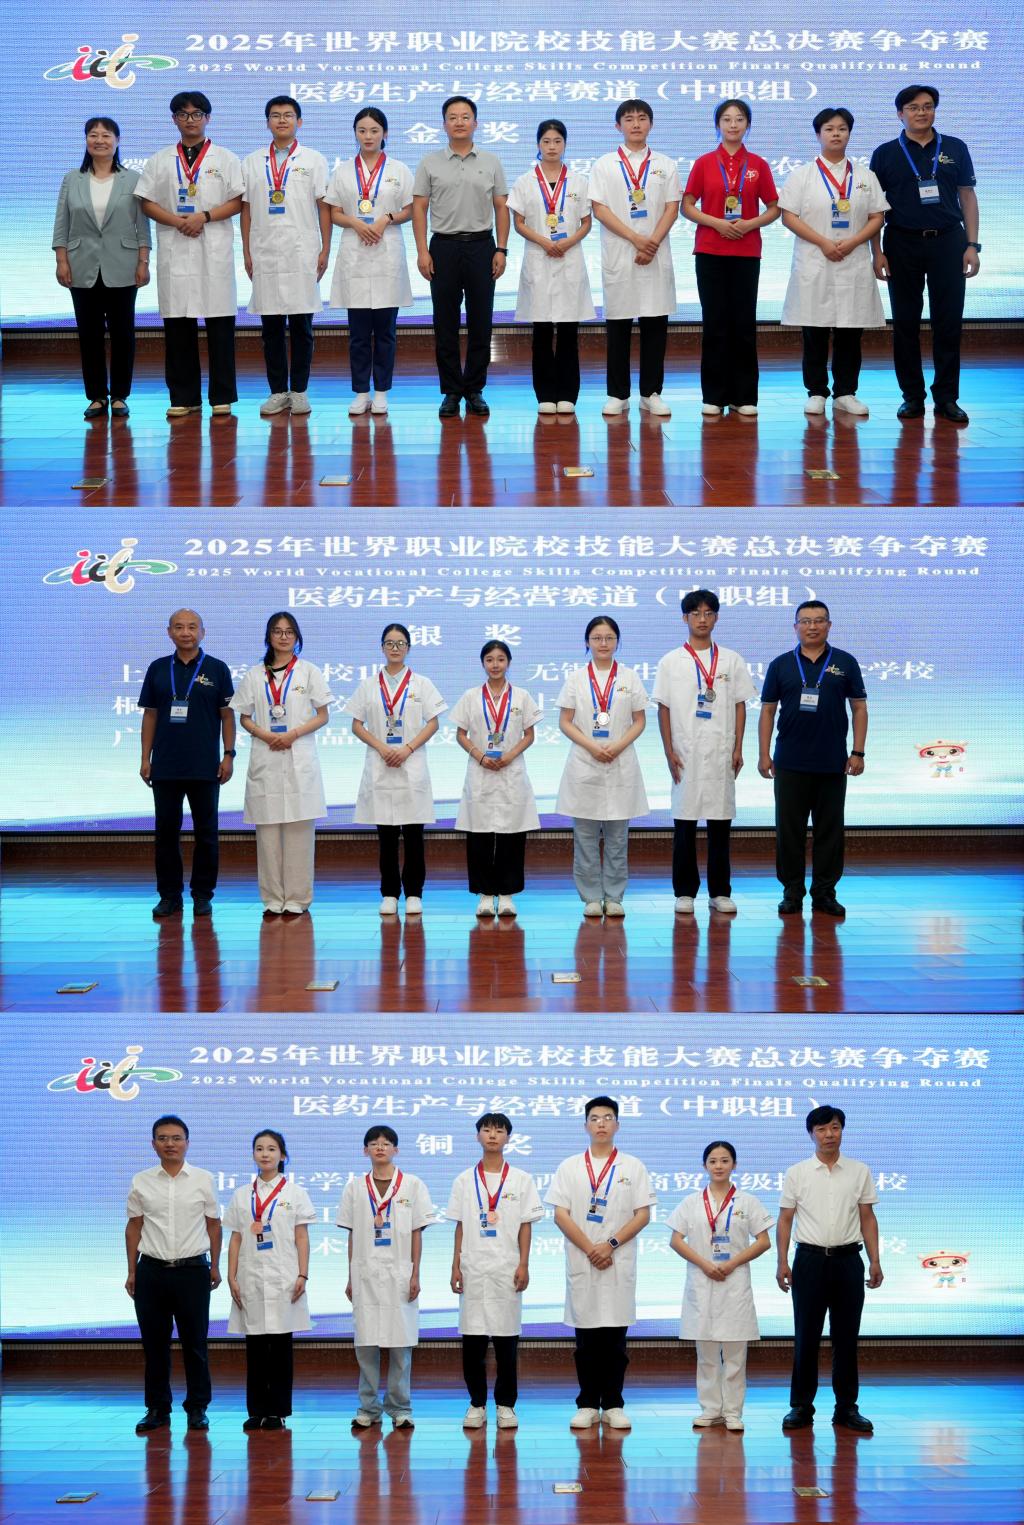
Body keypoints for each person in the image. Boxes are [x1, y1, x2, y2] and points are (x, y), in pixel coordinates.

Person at [869, 86, 979, 425]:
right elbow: (874, 208)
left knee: (949, 322)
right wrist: (877, 252)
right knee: (905, 322)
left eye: (928, 106)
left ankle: (947, 398)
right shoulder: (885, 153)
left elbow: (967, 196)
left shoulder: (955, 148)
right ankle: (912, 397)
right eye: (914, 107)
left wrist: (972, 245)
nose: (922, 112)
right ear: (900, 113)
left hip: (948, 241)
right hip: (901, 243)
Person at [545, 1095, 656, 1430]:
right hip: (584, 1261)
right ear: (586, 1126)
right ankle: (587, 1404)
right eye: (595, 1118)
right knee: (586, 1342)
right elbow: (560, 1215)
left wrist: (609, 1245)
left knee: (615, 1342)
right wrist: (591, 1249)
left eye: (608, 1117)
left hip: (617, 1261)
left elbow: (643, 1215)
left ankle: (614, 1404)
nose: (601, 1124)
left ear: (617, 1124)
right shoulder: (570, 1167)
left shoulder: (632, 1167)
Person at [135, 91, 243, 418]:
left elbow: (238, 201)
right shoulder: (159, 160)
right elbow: (146, 201)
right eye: (183, 114)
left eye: (197, 114)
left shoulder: (225, 158)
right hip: (176, 245)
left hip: (213, 247)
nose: (190, 120)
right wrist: (178, 221)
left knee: (220, 326)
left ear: (208, 118)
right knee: (178, 328)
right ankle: (184, 397)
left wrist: (203, 217)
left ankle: (222, 396)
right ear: (174, 120)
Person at [776, 1106, 883, 1434]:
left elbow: (867, 1217)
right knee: (806, 1336)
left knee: (846, 1337)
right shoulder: (797, 1172)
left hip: (849, 1260)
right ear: (811, 1134)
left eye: (834, 1128)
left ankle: (846, 1408)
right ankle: (801, 1407)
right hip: (809, 1260)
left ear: (842, 1130)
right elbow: (785, 1219)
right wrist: (782, 1261)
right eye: (821, 1129)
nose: (829, 1135)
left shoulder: (859, 1171)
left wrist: (875, 1260)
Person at [757, 601, 867, 917]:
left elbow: (859, 708)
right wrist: (763, 754)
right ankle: (791, 893)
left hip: (832, 762)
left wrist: (858, 752)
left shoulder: (845, 662)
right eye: (805, 621)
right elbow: (767, 711)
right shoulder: (781, 664)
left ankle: (824, 894)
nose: (812, 626)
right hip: (789, 762)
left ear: (829, 625)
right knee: (788, 832)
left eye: (819, 620)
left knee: (829, 832)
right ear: (796, 627)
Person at [779, 108, 888, 417]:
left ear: (849, 133)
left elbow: (877, 216)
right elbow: (789, 216)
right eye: (829, 129)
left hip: (853, 260)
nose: (836, 134)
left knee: (850, 332)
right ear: (818, 134)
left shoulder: (865, 176)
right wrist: (824, 242)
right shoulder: (802, 175)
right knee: (814, 330)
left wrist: (853, 242)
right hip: (816, 259)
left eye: (842, 128)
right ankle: (816, 392)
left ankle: (846, 392)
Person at [653, 590, 755, 916]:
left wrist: (738, 747)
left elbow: (740, 705)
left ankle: (720, 891)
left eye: (708, 613)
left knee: (720, 825)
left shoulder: (731, 659)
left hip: (721, 751)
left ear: (716, 618)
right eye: (695, 613)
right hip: (685, 751)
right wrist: (668, 751)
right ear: (685, 618)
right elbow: (663, 709)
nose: (702, 619)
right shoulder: (671, 661)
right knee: (684, 824)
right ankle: (684, 892)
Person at [412, 96, 510, 418]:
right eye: (452, 117)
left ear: (475, 123)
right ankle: (452, 391)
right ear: (444, 124)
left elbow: (501, 207)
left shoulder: (492, 161)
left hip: (482, 246)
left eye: (465, 116)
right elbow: (419, 208)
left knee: (481, 321)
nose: (459, 122)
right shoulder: (429, 162)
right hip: (443, 247)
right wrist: (422, 251)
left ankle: (475, 389)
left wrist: (501, 249)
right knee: (445, 323)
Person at [230, 612, 332, 916]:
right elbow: (244, 716)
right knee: (268, 836)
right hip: (266, 756)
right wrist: (265, 735)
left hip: (298, 755)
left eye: (289, 632)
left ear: (297, 636)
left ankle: (298, 898)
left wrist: (293, 734)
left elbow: (323, 715)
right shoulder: (254, 675)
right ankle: (273, 898)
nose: (283, 637)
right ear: (269, 636)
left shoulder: (309, 672)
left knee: (300, 834)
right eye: (277, 631)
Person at [682, 100, 780, 416]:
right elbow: (687, 205)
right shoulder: (704, 163)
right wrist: (716, 223)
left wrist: (750, 224)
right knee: (715, 323)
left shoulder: (758, 165)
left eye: (739, 119)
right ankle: (714, 395)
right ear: (718, 125)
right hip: (710, 250)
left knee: (743, 323)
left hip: (746, 251)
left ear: (747, 124)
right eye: (727, 119)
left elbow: (774, 208)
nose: (733, 124)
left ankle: (744, 396)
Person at [447, 1112, 544, 1429]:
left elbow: (526, 1226)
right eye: (487, 1130)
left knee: (506, 1344)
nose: (492, 1135)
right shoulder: (464, 1180)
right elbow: (460, 1226)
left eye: (499, 1131)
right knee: (473, 1344)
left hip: (506, 1268)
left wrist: (524, 1263)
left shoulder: (521, 1179)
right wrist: (455, 1265)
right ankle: (476, 1404)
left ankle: (506, 1405)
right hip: (473, 1268)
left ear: (508, 1138)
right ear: (477, 1135)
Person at [667, 1141, 773, 1432]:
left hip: (734, 1281)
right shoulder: (691, 1202)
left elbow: (764, 1241)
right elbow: (675, 1240)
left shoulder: (747, 1201)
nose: (718, 1166)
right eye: (713, 1161)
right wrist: (704, 1264)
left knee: (736, 1354)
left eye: (725, 1160)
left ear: (734, 1165)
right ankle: (711, 1409)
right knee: (707, 1354)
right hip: (702, 1281)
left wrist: (732, 1263)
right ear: (704, 1165)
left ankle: (733, 1412)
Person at [125, 1115, 221, 1434]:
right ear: (153, 1144)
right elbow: (134, 1226)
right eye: (163, 1138)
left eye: (176, 1138)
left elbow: (213, 1225)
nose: (170, 1144)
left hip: (192, 1271)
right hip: (151, 1271)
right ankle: (157, 1408)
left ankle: (197, 1408)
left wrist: (215, 1265)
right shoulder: (141, 1180)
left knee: (195, 1343)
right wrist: (131, 1270)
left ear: (187, 1143)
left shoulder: (203, 1179)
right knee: (154, 1345)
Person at [138, 609, 235, 918]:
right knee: (166, 834)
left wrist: (229, 754)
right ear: (169, 632)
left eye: (192, 627)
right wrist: (145, 758)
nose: (185, 632)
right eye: (179, 627)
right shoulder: (157, 668)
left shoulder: (217, 669)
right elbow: (150, 715)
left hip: (205, 766)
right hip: (165, 766)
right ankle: (169, 896)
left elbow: (227, 716)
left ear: (202, 632)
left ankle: (202, 895)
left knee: (207, 833)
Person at [336, 1126, 435, 1429]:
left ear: (396, 1150)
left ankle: (400, 1408)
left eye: (386, 1143)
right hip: (365, 1273)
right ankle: (368, 1408)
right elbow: (352, 1235)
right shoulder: (355, 1188)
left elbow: (417, 1233)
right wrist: (350, 1275)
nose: (380, 1147)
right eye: (374, 1143)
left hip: (400, 1273)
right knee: (366, 1345)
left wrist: (415, 1272)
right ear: (365, 1150)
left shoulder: (413, 1185)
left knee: (400, 1344)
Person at [52, 117, 151, 419]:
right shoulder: (72, 179)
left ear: (117, 141)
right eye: (93, 135)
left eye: (106, 135)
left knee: (123, 334)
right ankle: (96, 396)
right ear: (86, 141)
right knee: (89, 334)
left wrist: (144, 261)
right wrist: (61, 260)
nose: (99, 140)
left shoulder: (132, 179)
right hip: (81, 266)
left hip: (123, 265)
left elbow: (142, 225)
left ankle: (119, 395)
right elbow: (61, 223)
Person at [588, 99, 681, 417]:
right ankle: (618, 394)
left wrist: (651, 242)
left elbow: (672, 207)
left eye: (642, 118)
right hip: (621, 252)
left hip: (655, 254)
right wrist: (636, 239)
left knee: (655, 326)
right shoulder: (604, 164)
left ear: (651, 124)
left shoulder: (665, 164)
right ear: (618, 126)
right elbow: (599, 209)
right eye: (629, 119)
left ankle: (651, 393)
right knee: (618, 327)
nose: (636, 124)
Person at [346, 624, 447, 915]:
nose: (395, 648)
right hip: (381, 763)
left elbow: (433, 722)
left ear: (408, 648)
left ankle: (414, 893)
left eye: (400, 643)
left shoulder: (422, 684)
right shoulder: (368, 685)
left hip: (410, 763)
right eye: (389, 643)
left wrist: (408, 748)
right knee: (386, 837)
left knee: (414, 836)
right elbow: (356, 725)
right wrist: (382, 747)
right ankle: (389, 893)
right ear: (382, 647)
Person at [241, 97, 330, 417]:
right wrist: (246, 250)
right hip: (264, 251)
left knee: (302, 326)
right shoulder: (252, 161)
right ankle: (278, 391)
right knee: (271, 327)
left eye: (288, 115)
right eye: (275, 116)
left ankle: (300, 391)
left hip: (302, 250)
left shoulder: (314, 159)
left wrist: (325, 248)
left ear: (299, 122)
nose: (282, 120)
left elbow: (323, 207)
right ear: (267, 122)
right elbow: (246, 209)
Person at [556, 616, 649, 918]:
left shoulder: (630, 677)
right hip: (586, 762)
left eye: (609, 638)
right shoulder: (576, 678)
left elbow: (640, 721)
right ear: (587, 642)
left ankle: (615, 896)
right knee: (584, 838)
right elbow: (565, 721)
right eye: (597, 638)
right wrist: (592, 746)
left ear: (617, 641)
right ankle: (591, 898)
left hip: (620, 761)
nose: (603, 643)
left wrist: (618, 746)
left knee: (618, 838)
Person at [325, 108, 415, 416]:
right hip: (355, 252)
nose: (368, 136)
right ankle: (361, 392)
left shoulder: (399, 169)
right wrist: (355, 222)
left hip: (387, 251)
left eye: (374, 130)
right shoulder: (342, 171)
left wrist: (385, 219)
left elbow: (410, 209)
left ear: (385, 134)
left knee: (386, 332)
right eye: (362, 130)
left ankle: (382, 392)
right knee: (358, 334)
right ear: (355, 133)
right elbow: (334, 212)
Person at [225, 1129, 315, 1431]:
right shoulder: (242, 1194)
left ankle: (277, 1411)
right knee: (254, 1346)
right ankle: (256, 1410)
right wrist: (231, 1275)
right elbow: (236, 1238)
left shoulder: (295, 1193)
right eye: (260, 1148)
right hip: (249, 1276)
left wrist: (303, 1273)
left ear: (282, 1155)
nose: (265, 1154)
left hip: (284, 1276)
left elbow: (301, 1237)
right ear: (253, 1154)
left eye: (272, 1149)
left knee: (279, 1347)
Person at [507, 119, 595, 414]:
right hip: (539, 257)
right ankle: (545, 393)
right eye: (546, 141)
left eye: (557, 141)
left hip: (569, 257)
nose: (552, 146)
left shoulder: (579, 181)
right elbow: (519, 222)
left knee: (569, 331)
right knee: (542, 331)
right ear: (538, 145)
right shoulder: (524, 181)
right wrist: (545, 242)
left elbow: (586, 222)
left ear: (565, 144)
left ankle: (568, 394)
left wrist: (567, 242)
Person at [451, 640, 540, 920]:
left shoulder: (522, 696)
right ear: (483, 663)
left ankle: (507, 894)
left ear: (508, 662)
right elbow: (461, 734)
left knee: (512, 836)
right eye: (489, 659)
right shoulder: (471, 696)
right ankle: (486, 895)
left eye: (501, 659)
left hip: (511, 771)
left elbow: (529, 735)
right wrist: (479, 756)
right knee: (479, 836)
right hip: (481, 771)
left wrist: (510, 755)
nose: (495, 664)